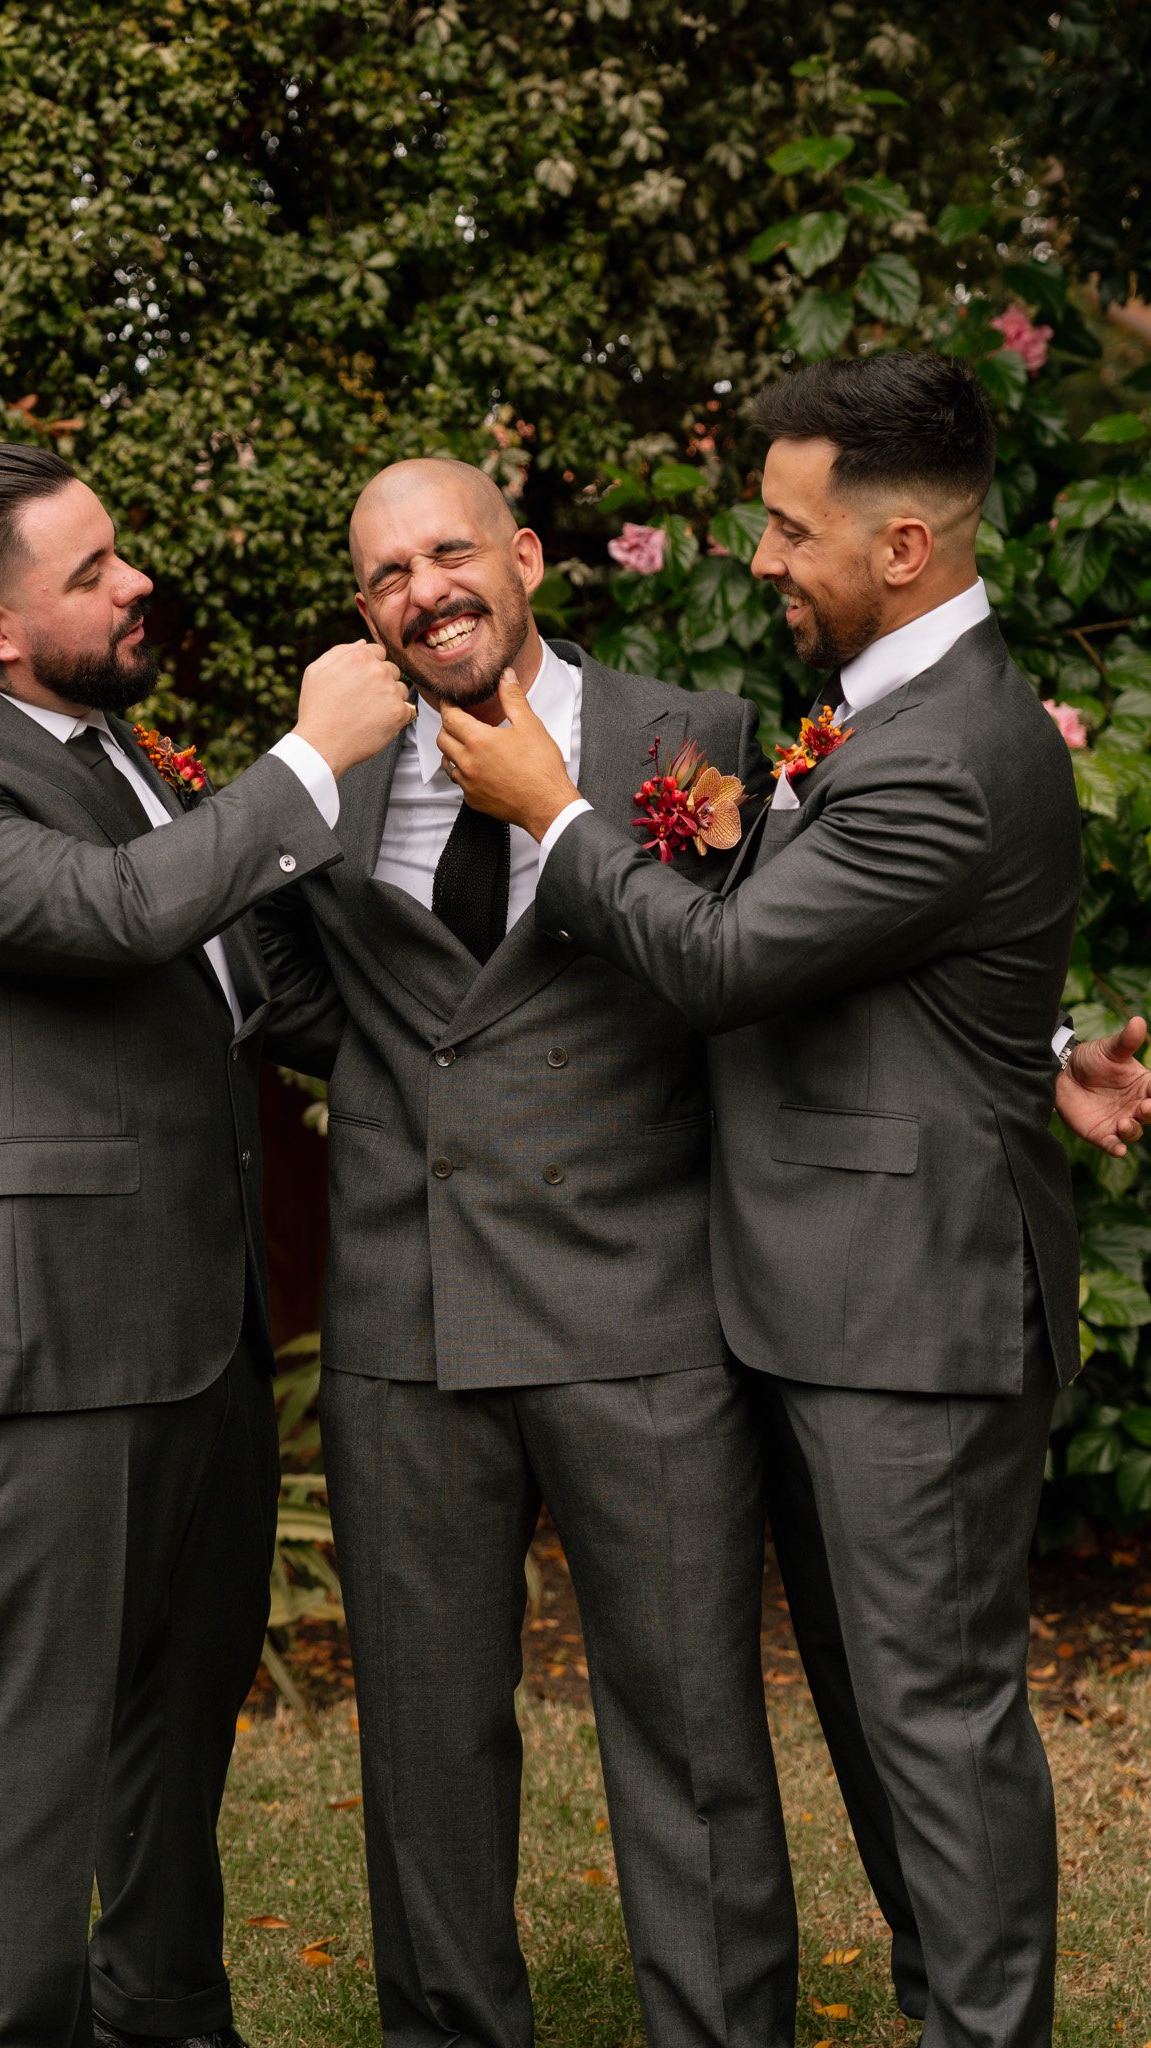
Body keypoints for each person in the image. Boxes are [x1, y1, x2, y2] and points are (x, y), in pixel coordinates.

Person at [436, 351, 1151, 2048]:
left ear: (896, 548)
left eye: (784, 527)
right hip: (834, 1294)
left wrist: (554, 814)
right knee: (877, 1710)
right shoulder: (890, 709)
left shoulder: (942, 744)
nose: (758, 559)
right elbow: (894, 959)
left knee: (935, 1716)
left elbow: (731, 961)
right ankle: (942, 2002)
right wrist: (1031, 1036)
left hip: (908, 1307)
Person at [0, 442, 413, 2048]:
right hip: (39, 1347)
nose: (132, 580)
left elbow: (262, 993)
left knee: (177, 1714)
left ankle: (168, 2020)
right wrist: (307, 762)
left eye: (117, 554)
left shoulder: (119, 754)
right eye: (88, 572)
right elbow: (112, 916)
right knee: (37, 1741)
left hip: (194, 1328)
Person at [257, 457, 801, 2048]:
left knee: (691, 1732)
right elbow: (289, 975)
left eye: (448, 552)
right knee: (426, 1741)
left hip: (638, 1310)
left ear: (528, 559)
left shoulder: (686, 737)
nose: (422, 590)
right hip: (401, 1321)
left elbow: (759, 969)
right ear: (362, 614)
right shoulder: (333, 771)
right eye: (382, 576)